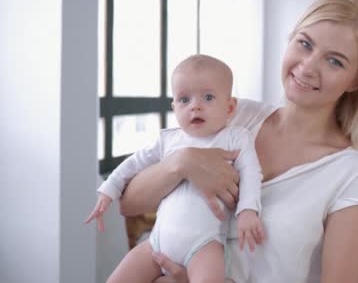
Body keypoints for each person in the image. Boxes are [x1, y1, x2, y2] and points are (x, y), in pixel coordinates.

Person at [119, 0, 358, 282]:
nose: (308, 66)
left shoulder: (354, 174)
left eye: (335, 61)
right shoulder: (232, 115)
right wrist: (182, 162)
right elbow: (129, 203)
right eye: (305, 44)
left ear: (356, 81)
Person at [85, 55, 265, 283]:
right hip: (157, 242)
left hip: (204, 246)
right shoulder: (168, 140)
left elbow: (251, 172)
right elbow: (133, 164)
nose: (195, 106)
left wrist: (248, 211)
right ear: (174, 107)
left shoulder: (236, 138)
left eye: (208, 97)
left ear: (229, 107)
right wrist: (107, 190)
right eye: (184, 99)